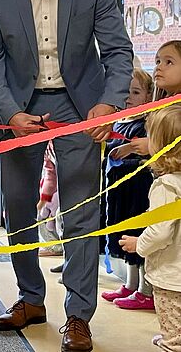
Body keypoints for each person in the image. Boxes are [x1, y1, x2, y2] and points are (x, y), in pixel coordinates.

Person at [0, 0, 133, 352]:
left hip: (79, 104)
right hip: (19, 108)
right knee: (19, 208)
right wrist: (8, 114)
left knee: (80, 213)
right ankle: (30, 299)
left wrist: (108, 105)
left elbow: (119, 51)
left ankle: (78, 316)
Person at [120, 104, 181, 352]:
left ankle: (171, 343)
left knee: (172, 325)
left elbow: (161, 231)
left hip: (171, 276)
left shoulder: (165, 186)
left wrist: (139, 245)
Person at [100, 69, 155, 310]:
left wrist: (124, 156)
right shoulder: (119, 123)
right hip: (118, 192)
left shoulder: (145, 125)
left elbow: (148, 160)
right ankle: (131, 285)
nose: (129, 97)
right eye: (126, 92)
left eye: (135, 92)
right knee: (123, 236)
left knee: (137, 236)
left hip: (138, 192)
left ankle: (145, 290)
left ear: (147, 96)